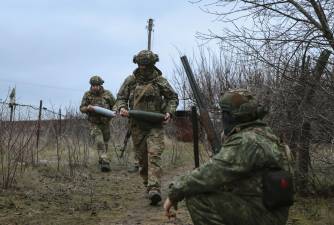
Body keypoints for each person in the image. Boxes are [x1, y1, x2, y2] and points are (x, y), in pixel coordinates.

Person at [164, 89, 293, 225]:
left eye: (224, 113)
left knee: (197, 197)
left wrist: (176, 191)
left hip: (265, 216)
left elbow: (210, 173)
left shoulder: (246, 141)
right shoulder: (266, 134)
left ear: (231, 116)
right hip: (271, 211)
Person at [114, 50, 178, 205]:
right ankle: (148, 187)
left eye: (147, 65)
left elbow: (173, 98)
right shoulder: (131, 81)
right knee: (143, 161)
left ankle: (154, 188)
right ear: (137, 64)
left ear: (152, 64)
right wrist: (122, 108)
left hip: (155, 125)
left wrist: (169, 112)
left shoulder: (160, 81)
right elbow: (120, 98)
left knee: (154, 156)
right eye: (141, 65)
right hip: (137, 126)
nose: (144, 68)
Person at [80, 75, 115, 172]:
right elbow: (81, 108)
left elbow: (115, 105)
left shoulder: (107, 94)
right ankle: (105, 162)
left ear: (100, 85)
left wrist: (114, 112)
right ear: (91, 86)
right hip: (94, 123)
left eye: (97, 85)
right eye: (93, 85)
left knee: (105, 142)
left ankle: (102, 159)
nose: (95, 87)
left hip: (105, 123)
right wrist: (87, 108)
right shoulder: (87, 95)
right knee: (99, 141)